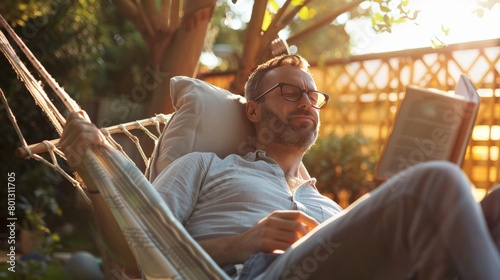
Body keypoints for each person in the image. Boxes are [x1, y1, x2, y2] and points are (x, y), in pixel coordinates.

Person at [60, 54, 500, 279]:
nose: (307, 101)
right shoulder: (204, 166)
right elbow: (143, 256)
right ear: (253, 111)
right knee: (434, 183)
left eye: (313, 96)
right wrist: (242, 243)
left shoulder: (323, 203)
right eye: (291, 92)